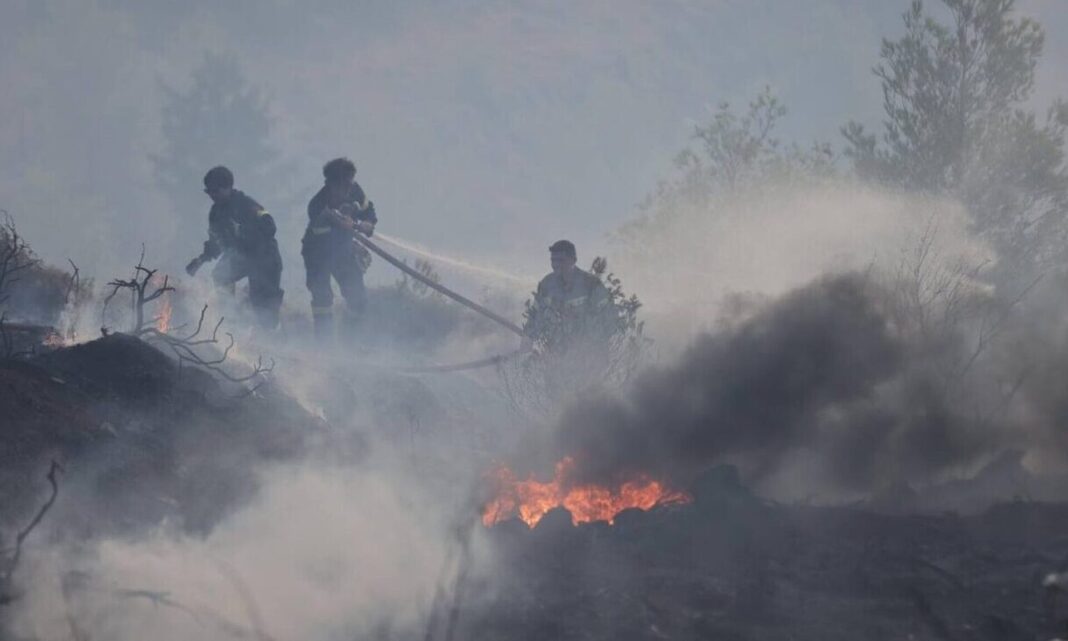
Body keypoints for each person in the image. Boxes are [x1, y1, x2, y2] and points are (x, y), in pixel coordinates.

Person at [185, 166, 283, 328]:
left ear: (228, 187)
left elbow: (269, 225)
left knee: (263, 306)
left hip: (265, 259)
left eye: (215, 191)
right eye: (209, 192)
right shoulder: (216, 213)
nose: (212, 195)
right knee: (220, 275)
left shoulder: (248, 205)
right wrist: (200, 260)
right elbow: (215, 243)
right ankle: (230, 320)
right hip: (242, 258)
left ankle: (273, 339)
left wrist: (246, 233)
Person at [301, 157, 377, 341]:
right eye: (343, 186)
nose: (348, 190)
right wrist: (343, 227)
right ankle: (324, 347)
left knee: (357, 297)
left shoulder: (355, 190)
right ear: (330, 184)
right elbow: (323, 235)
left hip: (342, 251)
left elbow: (368, 210)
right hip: (316, 254)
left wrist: (367, 223)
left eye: (349, 184)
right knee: (322, 298)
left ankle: (353, 341)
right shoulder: (317, 205)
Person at [521, 240, 611, 353]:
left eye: (561, 261)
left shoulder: (591, 284)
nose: (556, 265)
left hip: (588, 352)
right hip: (554, 352)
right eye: (553, 260)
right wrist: (528, 338)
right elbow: (535, 315)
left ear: (573, 260)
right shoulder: (546, 285)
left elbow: (608, 317)